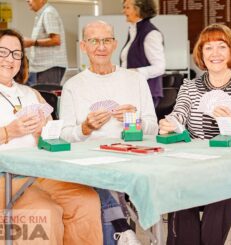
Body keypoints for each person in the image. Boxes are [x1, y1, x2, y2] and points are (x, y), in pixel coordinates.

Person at [159, 23, 231, 245]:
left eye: (221, 47)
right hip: (195, 165)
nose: (214, 53)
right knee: (179, 189)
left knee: (222, 190)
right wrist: (170, 124)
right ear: (201, 54)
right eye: (208, 48)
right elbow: (180, 114)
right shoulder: (189, 87)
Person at [0, 29, 102, 244]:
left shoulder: (31, 94)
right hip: (4, 177)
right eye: (3, 52)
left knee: (86, 199)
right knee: (44, 212)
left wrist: (45, 134)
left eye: (16, 54)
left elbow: (50, 140)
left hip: (37, 172)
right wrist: (9, 132)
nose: (10, 59)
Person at [60, 20, 158, 244]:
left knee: (107, 181)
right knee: (101, 178)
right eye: (94, 41)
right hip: (88, 161)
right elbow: (64, 134)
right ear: (83, 46)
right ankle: (122, 229)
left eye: (106, 40)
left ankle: (122, 230)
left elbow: (153, 127)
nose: (100, 47)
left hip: (130, 157)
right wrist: (85, 128)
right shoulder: (72, 86)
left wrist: (136, 122)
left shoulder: (135, 80)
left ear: (114, 45)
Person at [121, 0, 165, 107]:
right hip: (133, 91)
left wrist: (135, 72)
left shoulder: (151, 34)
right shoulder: (134, 30)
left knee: (136, 124)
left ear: (139, 9)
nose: (123, 11)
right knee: (129, 124)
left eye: (127, 7)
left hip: (145, 94)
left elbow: (160, 67)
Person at [24, 0, 67, 86]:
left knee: (46, 97)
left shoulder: (48, 13)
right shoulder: (42, 14)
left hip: (49, 67)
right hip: (42, 67)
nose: (27, 0)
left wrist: (32, 42)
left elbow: (56, 40)